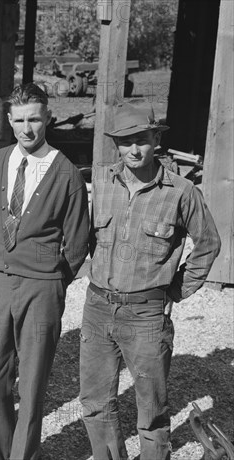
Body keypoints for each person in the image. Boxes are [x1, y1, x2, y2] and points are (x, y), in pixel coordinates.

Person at [80, 102, 221, 460]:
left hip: (146, 314)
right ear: (116, 144)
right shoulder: (101, 182)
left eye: (141, 140)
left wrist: (175, 289)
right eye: (125, 142)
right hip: (97, 308)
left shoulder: (181, 191)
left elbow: (208, 243)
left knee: (152, 410)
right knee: (96, 402)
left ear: (156, 138)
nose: (133, 150)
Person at [0, 83, 89, 459]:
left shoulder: (66, 173)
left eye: (35, 119)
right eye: (20, 120)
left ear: (48, 119)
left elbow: (76, 243)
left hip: (42, 287)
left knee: (33, 382)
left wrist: (50, 278)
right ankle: (0, 452)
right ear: (9, 121)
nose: (27, 128)